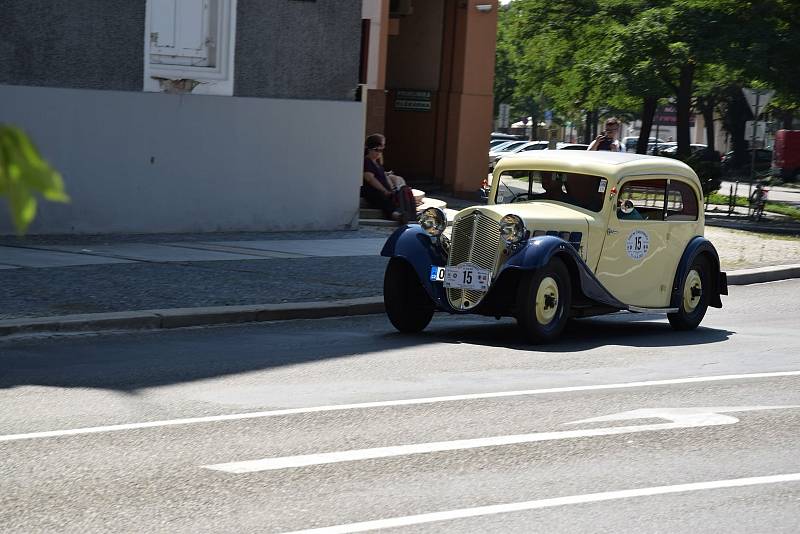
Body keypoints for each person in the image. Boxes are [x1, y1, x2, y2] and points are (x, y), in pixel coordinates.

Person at [362, 133, 416, 223]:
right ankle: (397, 216)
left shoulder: (377, 163)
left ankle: (410, 213)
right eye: (377, 150)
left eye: (381, 150)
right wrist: (384, 190)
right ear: (370, 149)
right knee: (382, 200)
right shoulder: (367, 162)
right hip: (372, 190)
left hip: (383, 190)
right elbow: (370, 179)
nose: (379, 153)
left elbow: (384, 176)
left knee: (399, 194)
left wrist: (392, 189)